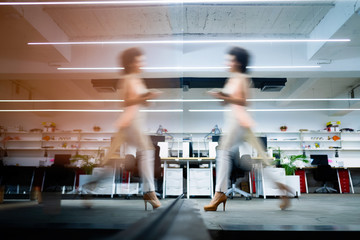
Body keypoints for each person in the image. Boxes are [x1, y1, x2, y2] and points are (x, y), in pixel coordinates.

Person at [204, 46, 292, 211]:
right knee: (257, 163)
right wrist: (221, 97)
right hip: (240, 123)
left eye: (230, 59)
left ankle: (220, 193)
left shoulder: (243, 78)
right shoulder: (231, 79)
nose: (227, 62)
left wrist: (224, 96)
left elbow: (243, 101)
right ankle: (283, 189)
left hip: (237, 122)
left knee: (222, 153)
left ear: (238, 62)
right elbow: (227, 102)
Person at [103, 47, 162, 210]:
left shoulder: (138, 80)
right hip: (130, 122)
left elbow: (142, 101)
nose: (142, 63)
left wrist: (148, 99)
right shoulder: (127, 79)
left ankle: (90, 185)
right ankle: (149, 192)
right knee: (148, 152)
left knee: (111, 162)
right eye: (138, 60)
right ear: (130, 63)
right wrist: (145, 96)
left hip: (135, 123)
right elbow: (125, 102)